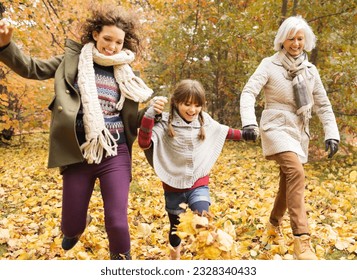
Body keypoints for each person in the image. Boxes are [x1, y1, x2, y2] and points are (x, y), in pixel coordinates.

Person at [0, 4, 154, 260]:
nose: (112, 46)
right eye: (107, 38)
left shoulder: (126, 74)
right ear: (95, 34)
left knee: (116, 221)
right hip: (78, 153)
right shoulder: (71, 62)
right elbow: (31, 68)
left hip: (115, 153)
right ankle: (75, 226)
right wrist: (5, 46)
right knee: (70, 227)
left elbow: (131, 120)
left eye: (118, 42)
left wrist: (152, 113)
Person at [240, 15, 340, 260]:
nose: (295, 43)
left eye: (299, 38)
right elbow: (249, 92)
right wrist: (249, 122)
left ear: (305, 40)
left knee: (288, 179)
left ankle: (273, 226)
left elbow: (323, 105)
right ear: (281, 40)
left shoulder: (310, 70)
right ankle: (301, 239)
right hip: (275, 125)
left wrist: (332, 133)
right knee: (296, 172)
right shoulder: (269, 64)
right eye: (290, 38)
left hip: (298, 129)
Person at [138, 79, 254, 260]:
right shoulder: (164, 121)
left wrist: (245, 134)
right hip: (173, 185)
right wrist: (149, 115)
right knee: (176, 231)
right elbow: (144, 143)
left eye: (197, 105)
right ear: (176, 102)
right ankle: (174, 258)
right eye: (187, 104)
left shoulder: (203, 120)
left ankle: (208, 256)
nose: (192, 110)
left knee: (204, 220)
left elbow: (224, 131)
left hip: (199, 182)